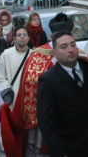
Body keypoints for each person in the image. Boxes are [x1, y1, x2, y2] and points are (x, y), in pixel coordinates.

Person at [6, 12, 74, 157]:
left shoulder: (77, 53)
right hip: (44, 109)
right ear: (52, 36)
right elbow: (29, 82)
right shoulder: (38, 54)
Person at [0, 26, 31, 109]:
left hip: (29, 97)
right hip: (13, 97)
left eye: (25, 35)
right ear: (14, 38)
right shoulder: (6, 54)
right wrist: (8, 89)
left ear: (28, 38)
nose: (22, 37)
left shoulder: (34, 55)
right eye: (19, 35)